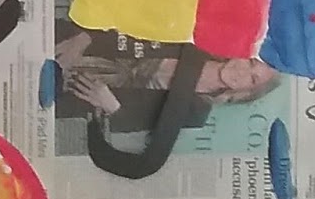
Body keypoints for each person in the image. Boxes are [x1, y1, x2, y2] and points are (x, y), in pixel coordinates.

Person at [55, 26, 280, 139]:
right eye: (250, 62)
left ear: (247, 92)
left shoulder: (196, 112)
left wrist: (111, 105)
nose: (242, 71)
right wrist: (84, 38)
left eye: (252, 79)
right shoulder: (194, 36)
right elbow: (123, 16)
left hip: (73, 97)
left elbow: (135, 127)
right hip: (68, 42)